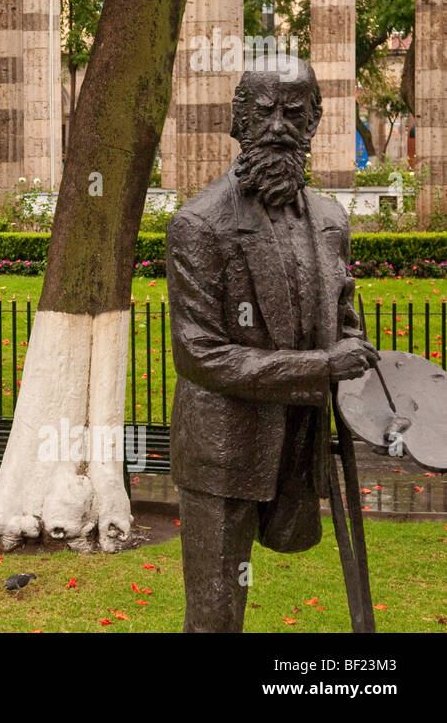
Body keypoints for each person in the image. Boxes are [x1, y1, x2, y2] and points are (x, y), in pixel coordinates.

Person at [167, 57, 380, 633]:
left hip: (300, 442)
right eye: (264, 112)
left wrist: (352, 346)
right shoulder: (200, 224)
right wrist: (320, 365)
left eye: (295, 112)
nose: (279, 126)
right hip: (225, 449)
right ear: (239, 121)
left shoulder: (332, 219)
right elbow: (199, 353)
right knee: (215, 618)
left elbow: (342, 315)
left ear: (314, 122)